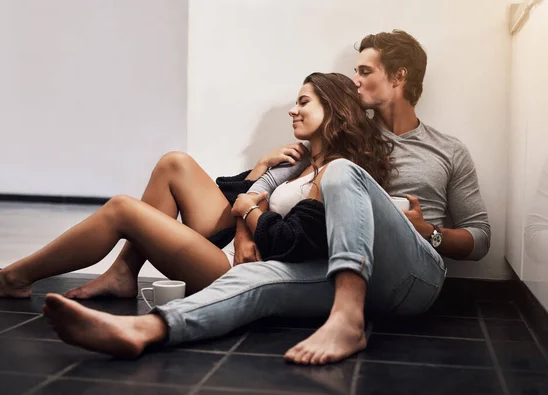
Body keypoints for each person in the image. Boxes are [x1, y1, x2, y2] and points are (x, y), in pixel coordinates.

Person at [42, 30, 491, 365]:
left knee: (339, 172)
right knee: (254, 280)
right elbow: (266, 189)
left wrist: (429, 232)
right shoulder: (343, 136)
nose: (354, 80)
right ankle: (145, 329)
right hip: (332, 269)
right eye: (353, 72)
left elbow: (481, 237)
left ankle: (347, 322)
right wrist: (243, 228)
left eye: (364, 71)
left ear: (399, 76)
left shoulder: (446, 150)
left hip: (412, 274)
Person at [0, 73, 392, 304]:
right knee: (175, 163)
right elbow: (231, 198)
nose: (292, 109)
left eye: (304, 102)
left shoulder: (336, 172)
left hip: (240, 269)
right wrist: (257, 173)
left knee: (122, 209)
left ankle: (15, 276)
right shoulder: (300, 160)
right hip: (229, 242)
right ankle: (122, 273)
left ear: (332, 111)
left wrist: (249, 210)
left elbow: (296, 241)